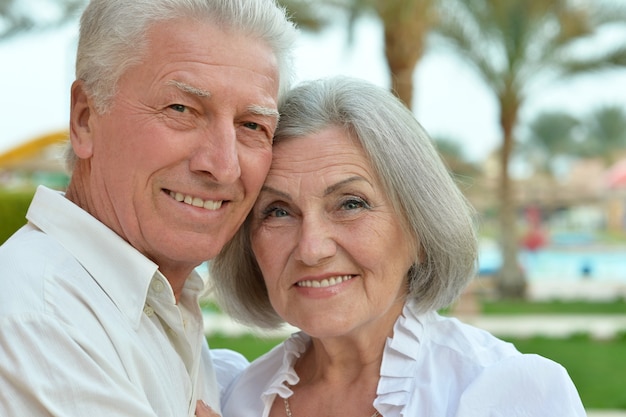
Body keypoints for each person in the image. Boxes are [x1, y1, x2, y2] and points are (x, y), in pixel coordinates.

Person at [210, 76, 587, 416]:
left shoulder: (505, 394)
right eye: (277, 211)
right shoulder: (236, 397)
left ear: (420, 231)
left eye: (350, 204)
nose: (311, 248)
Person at [0, 0, 296, 416]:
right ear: (85, 118)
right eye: (182, 109)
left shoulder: (150, 302)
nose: (224, 166)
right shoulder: (43, 322)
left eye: (252, 126)